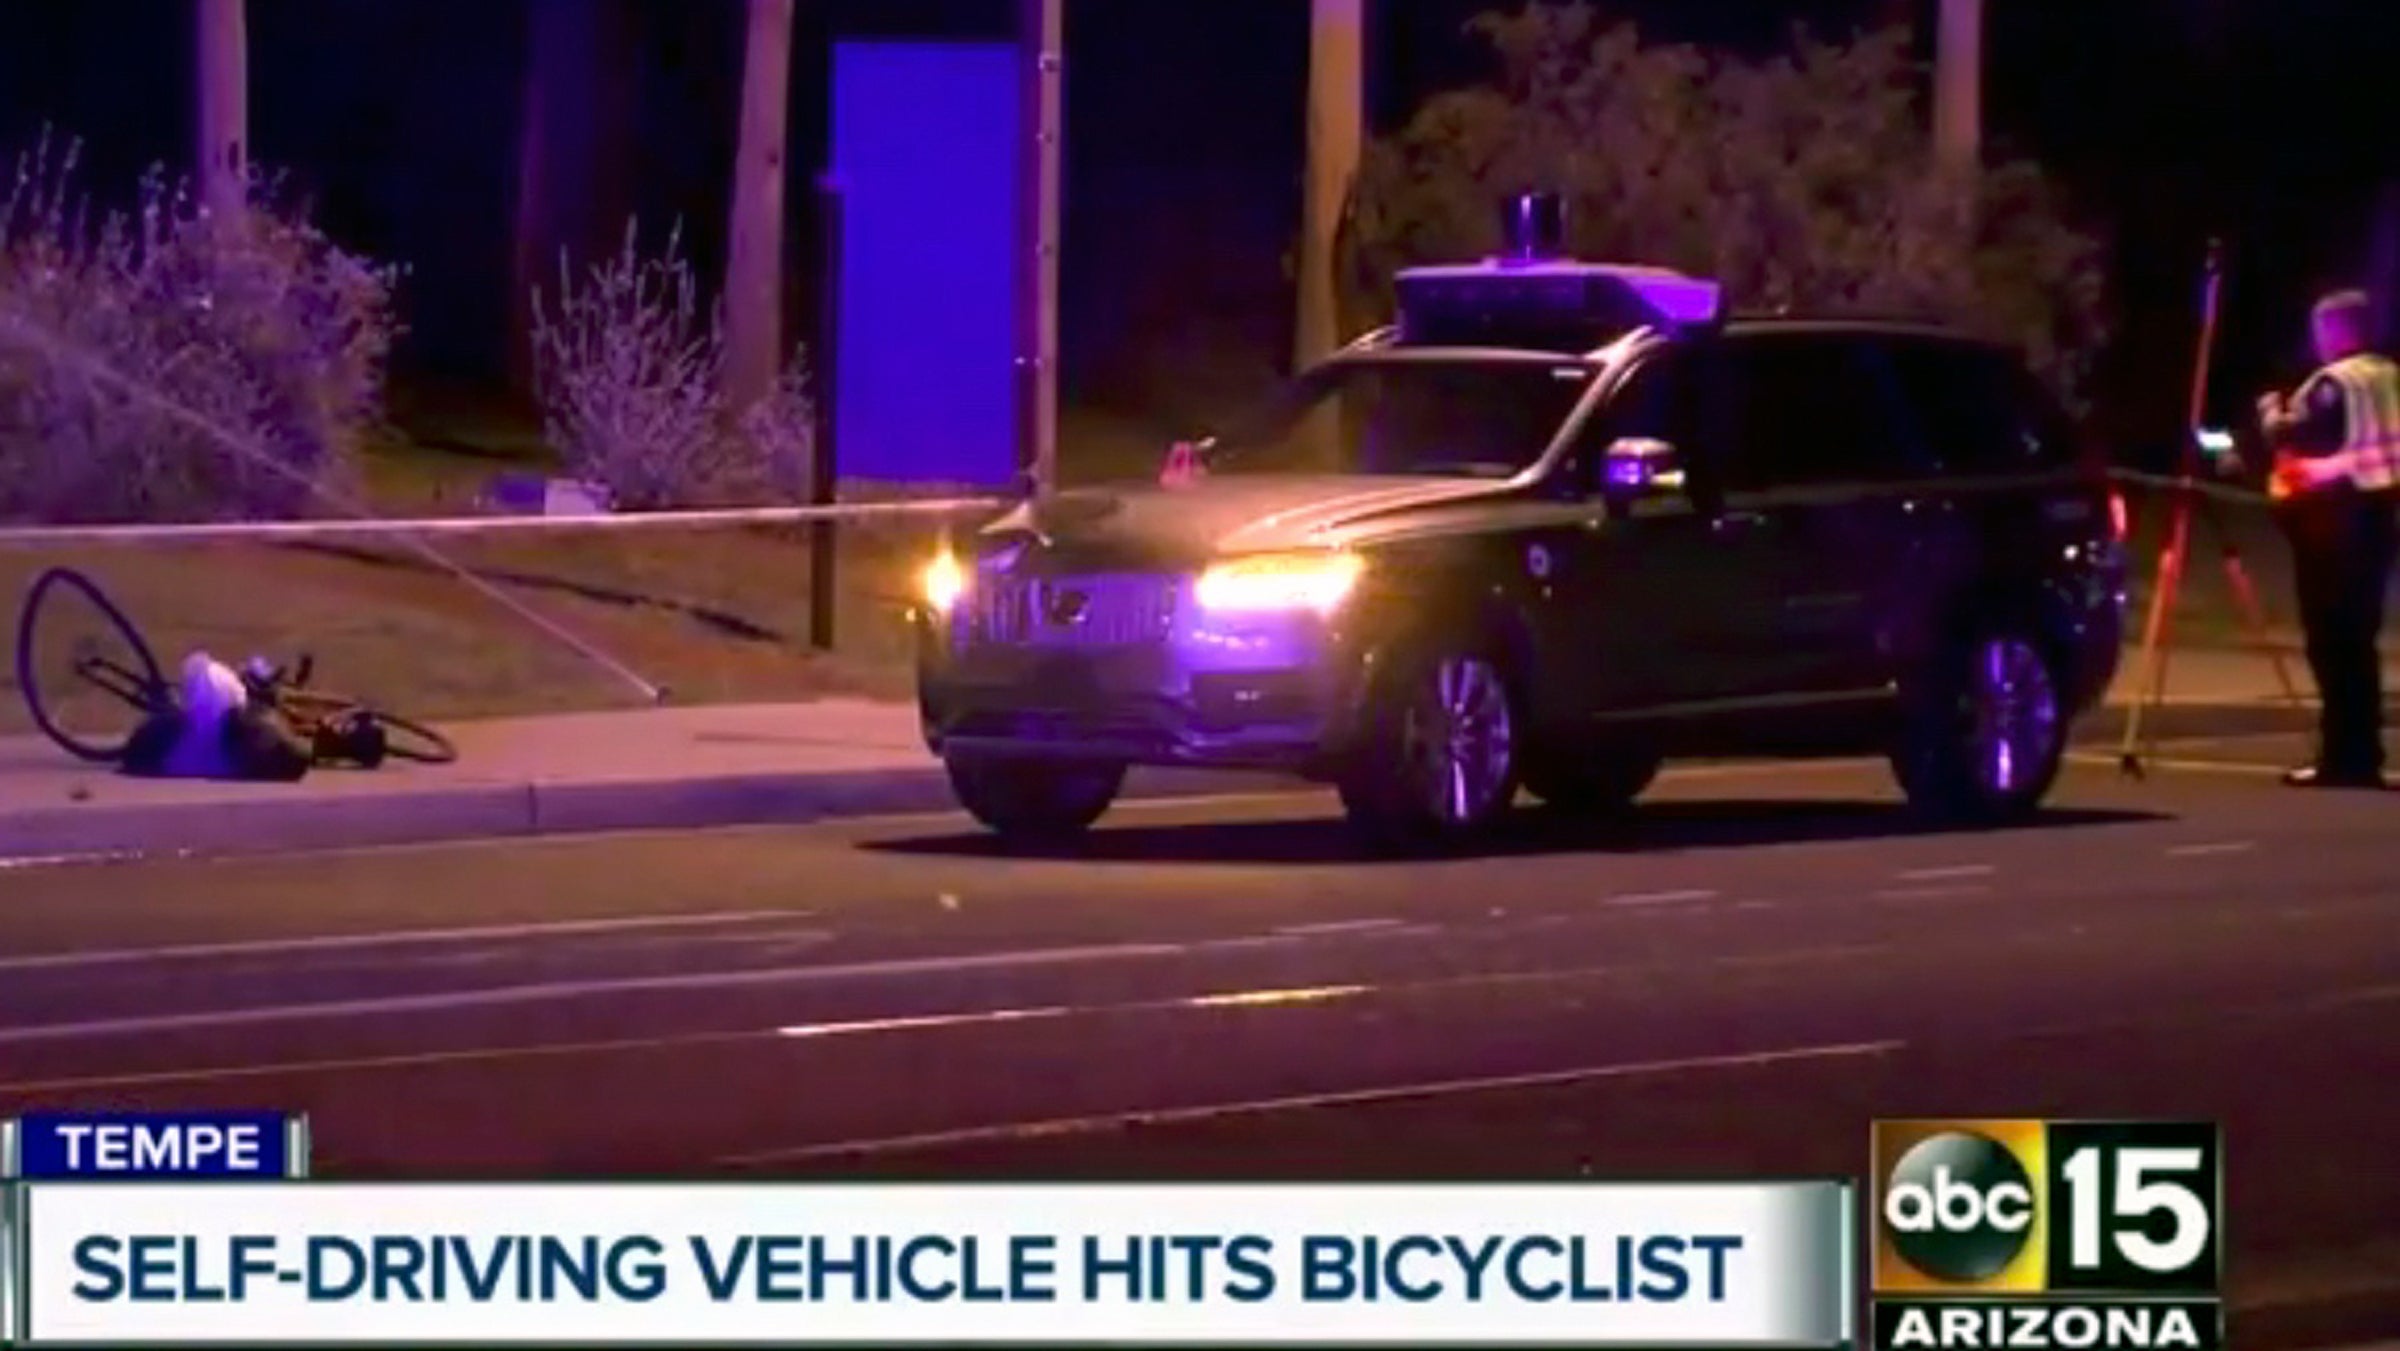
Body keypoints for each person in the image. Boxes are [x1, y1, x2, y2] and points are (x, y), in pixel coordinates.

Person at [2254, 289, 2400, 787]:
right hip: (2380, 516)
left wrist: (2271, 414)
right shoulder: (2388, 376)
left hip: (2334, 525)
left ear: (2338, 332)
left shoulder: (2335, 383)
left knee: (2333, 645)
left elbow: (2298, 436)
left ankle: (2344, 756)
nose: (2317, 341)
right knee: (2359, 644)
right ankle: (2362, 754)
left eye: (2322, 330)